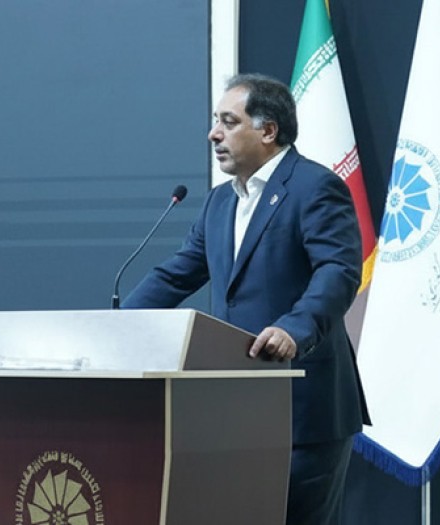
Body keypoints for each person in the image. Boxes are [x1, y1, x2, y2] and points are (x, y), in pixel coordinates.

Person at [121, 73, 370, 524]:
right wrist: (117, 326)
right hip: (234, 411)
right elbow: (176, 274)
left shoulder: (315, 187)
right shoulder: (220, 202)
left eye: (228, 121)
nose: (213, 133)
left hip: (302, 409)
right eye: (216, 121)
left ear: (268, 130)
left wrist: (294, 328)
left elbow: (338, 271)